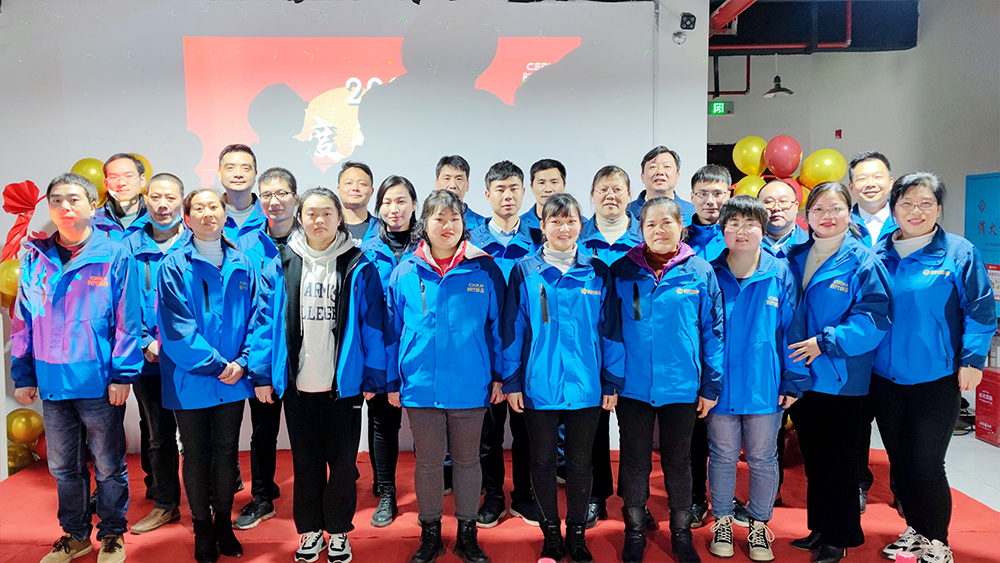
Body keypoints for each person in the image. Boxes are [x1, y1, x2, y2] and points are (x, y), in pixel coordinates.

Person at [250, 187, 389, 563]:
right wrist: (262, 374)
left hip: (343, 387)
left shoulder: (359, 265)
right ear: (300, 217)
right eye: (311, 213)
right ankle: (310, 530)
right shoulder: (281, 263)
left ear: (339, 218)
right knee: (305, 464)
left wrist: (374, 375)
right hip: (297, 386)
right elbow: (264, 322)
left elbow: (373, 325)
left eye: (327, 213)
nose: (319, 220)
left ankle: (339, 531)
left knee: (343, 466)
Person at [12, 173, 142, 563]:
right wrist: (24, 374)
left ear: (91, 206)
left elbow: (128, 320)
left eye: (73, 199)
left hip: (98, 382)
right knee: (64, 467)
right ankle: (75, 535)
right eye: (56, 201)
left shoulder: (113, 254)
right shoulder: (35, 258)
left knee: (108, 465)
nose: (64, 207)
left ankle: (113, 533)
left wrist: (122, 374)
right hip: (53, 381)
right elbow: (23, 321)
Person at [872, 172, 995, 563]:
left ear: (939, 208)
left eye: (926, 203)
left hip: (937, 377)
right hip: (885, 378)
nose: (916, 211)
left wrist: (972, 360)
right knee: (901, 462)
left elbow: (981, 309)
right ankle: (915, 530)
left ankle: (938, 541)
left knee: (926, 462)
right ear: (894, 209)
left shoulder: (958, 252)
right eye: (906, 203)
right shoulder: (879, 254)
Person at [386, 190, 506, 563]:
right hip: (420, 385)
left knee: (468, 462)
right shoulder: (406, 271)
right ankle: (430, 534)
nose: (447, 225)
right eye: (439, 218)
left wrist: (500, 375)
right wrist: (391, 381)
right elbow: (391, 332)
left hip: (471, 384)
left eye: (454, 218)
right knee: (428, 462)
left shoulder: (484, 269)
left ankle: (468, 534)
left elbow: (499, 328)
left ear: (464, 224)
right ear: (425, 224)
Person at [504, 193, 623, 563]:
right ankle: (551, 535)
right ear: (543, 226)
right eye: (555, 221)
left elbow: (610, 330)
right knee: (541, 461)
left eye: (570, 220)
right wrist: (512, 380)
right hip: (538, 385)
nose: (563, 227)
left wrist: (611, 380)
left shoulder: (598, 271)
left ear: (580, 225)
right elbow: (513, 329)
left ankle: (577, 533)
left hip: (586, 386)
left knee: (580, 463)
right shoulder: (525, 271)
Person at [610, 197, 723, 563]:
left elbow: (714, 332)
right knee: (635, 460)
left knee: (678, 461)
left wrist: (711, 384)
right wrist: (612, 380)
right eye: (651, 224)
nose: (659, 230)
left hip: (681, 385)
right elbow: (610, 330)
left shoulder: (700, 271)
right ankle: (634, 531)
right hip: (633, 386)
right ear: (640, 230)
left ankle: (681, 533)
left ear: (681, 227)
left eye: (667, 223)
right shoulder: (622, 271)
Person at [784, 181, 892, 563]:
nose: (827, 216)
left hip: (841, 377)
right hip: (803, 378)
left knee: (841, 464)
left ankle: (839, 537)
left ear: (849, 213)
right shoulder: (795, 256)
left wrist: (825, 342)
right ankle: (820, 528)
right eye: (818, 209)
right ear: (807, 215)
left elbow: (875, 318)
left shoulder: (863, 260)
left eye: (836, 209)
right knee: (815, 460)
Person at [157, 188, 259, 563]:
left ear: (224, 214)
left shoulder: (242, 262)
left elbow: (256, 318)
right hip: (191, 380)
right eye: (198, 208)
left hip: (234, 378)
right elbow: (176, 330)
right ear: (187, 218)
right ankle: (202, 527)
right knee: (196, 454)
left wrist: (243, 362)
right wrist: (220, 366)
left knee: (227, 453)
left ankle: (223, 525)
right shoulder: (173, 265)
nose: (207, 213)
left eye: (213, 206)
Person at [706, 196, 809, 562]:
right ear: (722, 231)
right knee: (722, 456)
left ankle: (760, 525)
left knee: (764, 457)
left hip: (765, 384)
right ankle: (722, 520)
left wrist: (794, 380)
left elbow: (793, 330)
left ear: (763, 230)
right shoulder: (709, 273)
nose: (742, 231)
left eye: (750, 223)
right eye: (733, 223)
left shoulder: (780, 273)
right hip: (720, 386)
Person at [468, 160, 541, 529]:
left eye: (514, 188)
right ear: (487, 195)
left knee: (527, 431)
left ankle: (524, 495)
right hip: (484, 352)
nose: (507, 195)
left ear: (524, 192)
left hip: (529, 352)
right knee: (488, 433)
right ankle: (494, 495)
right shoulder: (471, 245)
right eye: (500, 189)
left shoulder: (539, 240)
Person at [232, 167, 302, 531]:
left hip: (307, 358)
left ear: (295, 198)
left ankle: (312, 496)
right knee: (263, 433)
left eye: (282, 194)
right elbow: (251, 312)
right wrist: (258, 369)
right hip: (264, 355)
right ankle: (262, 497)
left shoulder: (314, 238)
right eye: (267, 195)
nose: (274, 202)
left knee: (309, 434)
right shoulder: (246, 244)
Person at [122, 173, 186, 535]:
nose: (163, 205)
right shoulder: (128, 246)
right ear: (145, 200)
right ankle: (166, 504)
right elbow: (123, 303)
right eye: (156, 198)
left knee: (198, 436)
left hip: (190, 360)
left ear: (182, 202)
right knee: (158, 434)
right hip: (148, 359)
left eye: (170, 198)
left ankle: (209, 499)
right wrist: (145, 340)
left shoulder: (197, 242)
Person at [578, 165, 641, 526]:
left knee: (635, 435)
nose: (610, 196)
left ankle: (635, 501)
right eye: (603, 189)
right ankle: (595, 496)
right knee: (593, 432)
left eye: (617, 189)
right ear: (592, 196)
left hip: (638, 350)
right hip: (591, 350)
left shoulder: (645, 238)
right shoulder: (578, 237)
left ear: (629, 195)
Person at [359, 175, 419, 528]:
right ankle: (386, 492)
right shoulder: (366, 252)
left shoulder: (428, 247)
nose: (393, 209)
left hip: (420, 352)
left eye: (401, 201)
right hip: (380, 352)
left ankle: (433, 489)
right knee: (383, 425)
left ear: (414, 205)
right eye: (386, 202)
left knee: (428, 427)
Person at [846, 150, 900, 515]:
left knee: (899, 425)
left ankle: (905, 487)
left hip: (897, 345)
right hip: (853, 345)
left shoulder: (908, 222)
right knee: (854, 423)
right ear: (851, 186)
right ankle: (857, 484)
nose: (870, 184)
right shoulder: (838, 223)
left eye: (877, 176)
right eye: (862, 178)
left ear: (890, 182)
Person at [684, 164, 735, 528]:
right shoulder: (680, 234)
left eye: (718, 193)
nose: (711, 200)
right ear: (692, 198)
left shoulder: (737, 233)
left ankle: (731, 500)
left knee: (728, 435)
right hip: (692, 348)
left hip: (734, 344)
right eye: (703, 193)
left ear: (729, 195)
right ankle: (695, 496)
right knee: (695, 432)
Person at [627, 146, 695, 224]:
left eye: (666, 166)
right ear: (642, 177)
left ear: (677, 176)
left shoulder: (693, 213)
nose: (660, 172)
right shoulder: (627, 213)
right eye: (653, 167)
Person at [92, 153, 149, 241]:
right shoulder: (91, 221)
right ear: (106, 184)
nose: (121, 183)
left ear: (142, 180)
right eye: (113, 177)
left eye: (129, 176)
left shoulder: (156, 220)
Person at [218, 144, 267, 240]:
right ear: (219, 173)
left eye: (245, 168)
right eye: (230, 168)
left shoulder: (270, 215)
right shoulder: (207, 216)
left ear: (255, 174)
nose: (238, 174)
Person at [520, 159, 567, 246]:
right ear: (532, 187)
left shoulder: (580, 225)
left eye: (554, 182)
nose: (548, 189)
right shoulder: (520, 226)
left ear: (564, 185)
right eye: (541, 183)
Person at [758, 179, 808, 259]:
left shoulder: (811, 244)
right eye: (769, 202)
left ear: (796, 207)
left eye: (783, 201)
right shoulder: (743, 245)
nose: (776, 208)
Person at [435, 154, 486, 228]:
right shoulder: (425, 225)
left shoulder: (482, 226)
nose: (453, 185)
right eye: (447, 179)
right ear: (436, 183)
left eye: (459, 179)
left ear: (467, 185)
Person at [336, 161, 380, 246]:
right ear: (339, 189)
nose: (355, 188)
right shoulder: (327, 228)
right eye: (349, 183)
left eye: (362, 184)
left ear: (371, 191)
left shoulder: (384, 230)